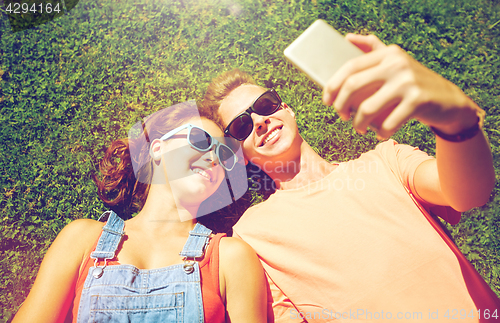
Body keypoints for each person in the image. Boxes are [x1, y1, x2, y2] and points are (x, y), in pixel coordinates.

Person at [201, 34, 500, 322]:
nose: (260, 122)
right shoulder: (251, 236)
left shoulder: (388, 161)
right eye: (241, 126)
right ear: (238, 155)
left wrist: (454, 119)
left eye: (265, 105)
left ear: (287, 110)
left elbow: (470, 194)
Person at [12, 101, 268, 323]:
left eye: (223, 154)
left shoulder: (231, 259)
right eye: (200, 140)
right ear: (158, 149)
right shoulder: (81, 239)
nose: (213, 158)